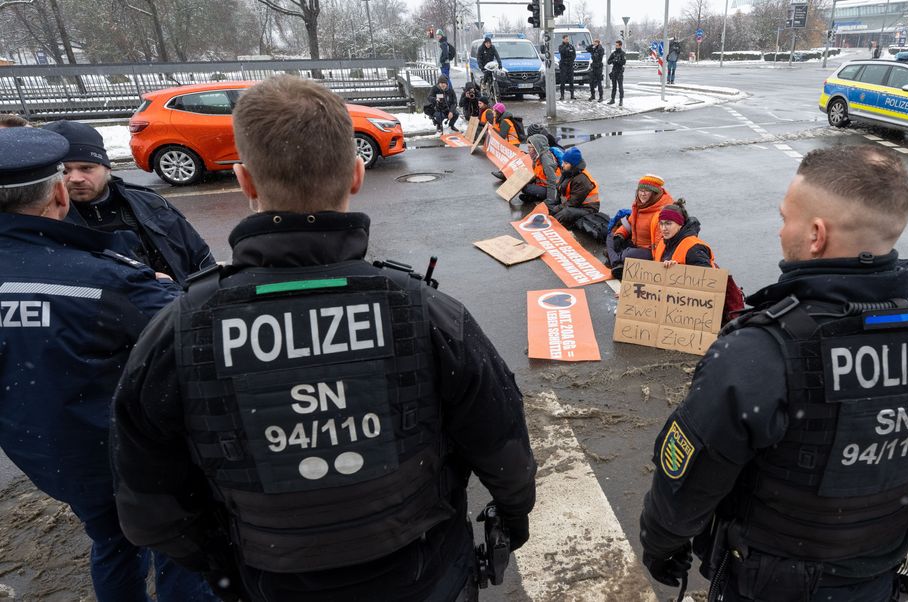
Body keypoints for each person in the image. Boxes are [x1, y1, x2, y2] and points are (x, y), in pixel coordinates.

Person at [111, 75, 537, 602]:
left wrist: (231, 564)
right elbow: (503, 448)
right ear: (357, 174)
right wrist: (512, 520)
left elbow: (149, 509)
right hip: (424, 579)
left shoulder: (180, 331)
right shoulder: (427, 314)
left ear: (244, 180)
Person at [639, 146, 908, 602]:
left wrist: (661, 546)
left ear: (815, 234)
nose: (780, 230)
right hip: (883, 570)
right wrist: (875, 502)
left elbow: (687, 484)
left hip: (771, 581)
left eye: (785, 218)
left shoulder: (758, 354)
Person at [0, 126, 216, 602]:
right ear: (57, 193)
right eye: (68, 174)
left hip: (51, 455)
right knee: (180, 545)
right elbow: (200, 333)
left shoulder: (137, 219)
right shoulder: (102, 279)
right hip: (127, 451)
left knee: (113, 541)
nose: (76, 180)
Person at [41, 120, 214, 286]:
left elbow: (200, 259)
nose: (76, 178)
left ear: (107, 168)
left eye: (86, 168)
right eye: (64, 171)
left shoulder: (151, 204)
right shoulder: (42, 221)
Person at [606, 174, 674, 279]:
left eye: (647, 191)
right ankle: (616, 262)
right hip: (636, 243)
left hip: (649, 250)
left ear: (655, 193)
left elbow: (660, 244)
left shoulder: (661, 213)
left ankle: (615, 258)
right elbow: (629, 223)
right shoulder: (638, 205)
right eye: (640, 190)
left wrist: (657, 266)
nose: (642, 194)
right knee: (611, 236)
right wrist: (620, 235)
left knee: (627, 254)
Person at [550, 146, 599, 228]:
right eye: (563, 162)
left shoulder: (582, 179)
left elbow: (573, 203)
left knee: (566, 212)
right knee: (547, 203)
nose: (562, 165)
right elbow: (559, 189)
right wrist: (555, 205)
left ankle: (551, 226)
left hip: (587, 209)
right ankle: (550, 220)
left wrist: (556, 209)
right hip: (572, 205)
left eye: (566, 163)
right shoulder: (567, 171)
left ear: (573, 165)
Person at [518, 133, 559, 204]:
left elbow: (552, 181)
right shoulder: (538, 157)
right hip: (544, 185)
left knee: (525, 188)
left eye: (530, 148)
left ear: (537, 147)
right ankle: (534, 197)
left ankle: (540, 197)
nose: (528, 150)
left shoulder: (546, 160)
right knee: (522, 184)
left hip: (553, 189)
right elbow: (539, 175)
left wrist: (550, 200)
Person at [607, 40, 627, 106]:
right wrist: (613, 60)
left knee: (620, 87)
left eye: (617, 45)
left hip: (620, 72)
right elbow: (608, 61)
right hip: (614, 71)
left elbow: (624, 62)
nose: (616, 46)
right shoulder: (614, 53)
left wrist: (618, 61)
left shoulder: (622, 53)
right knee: (614, 87)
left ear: (620, 45)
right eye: (615, 45)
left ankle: (621, 100)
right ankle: (612, 99)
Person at [559, 34, 576, 100]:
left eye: (567, 39)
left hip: (570, 66)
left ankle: (572, 95)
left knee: (571, 81)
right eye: (566, 39)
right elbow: (562, 52)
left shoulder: (571, 46)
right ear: (563, 39)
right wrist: (565, 46)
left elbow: (574, 55)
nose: (567, 40)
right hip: (563, 66)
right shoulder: (561, 46)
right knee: (562, 81)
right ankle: (562, 95)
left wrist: (571, 60)